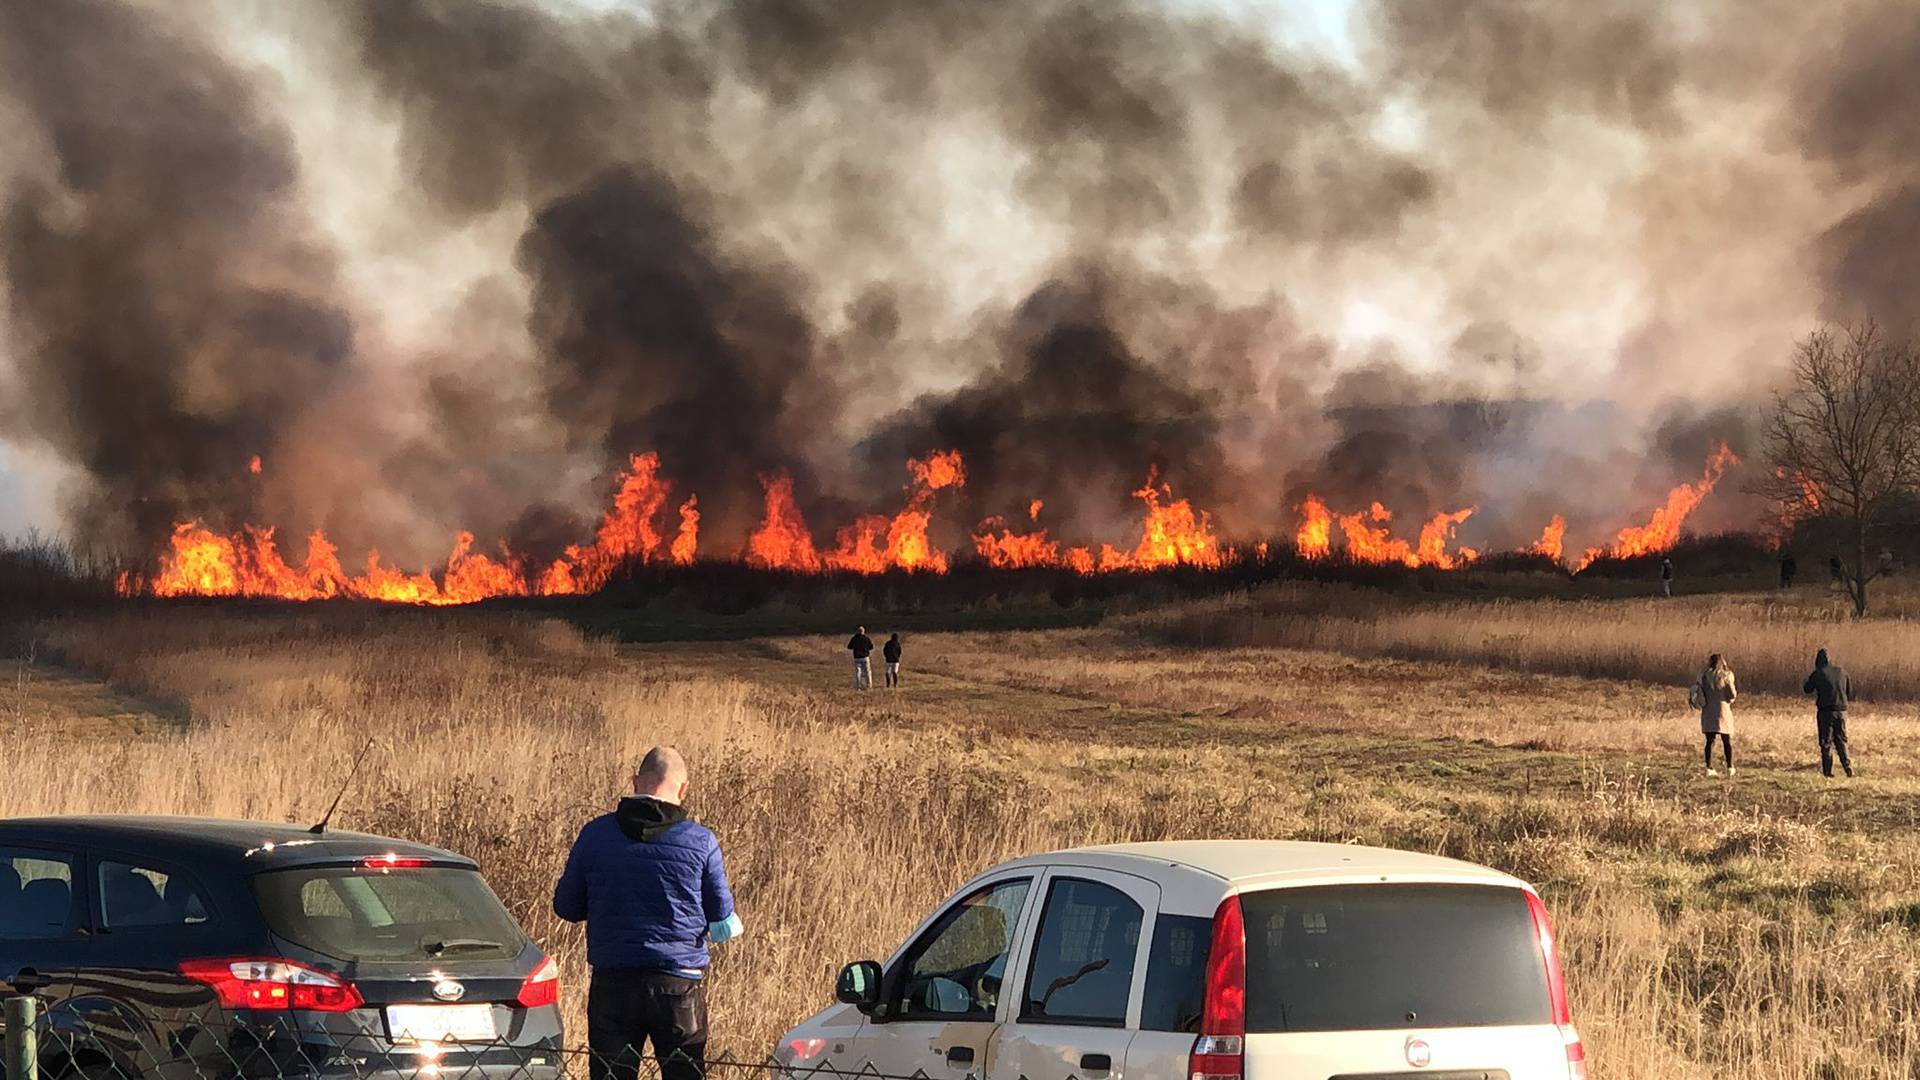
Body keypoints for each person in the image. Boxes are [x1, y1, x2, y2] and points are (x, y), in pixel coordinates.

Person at [555, 748, 742, 1080]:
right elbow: (723, 923)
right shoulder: (701, 842)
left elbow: (566, 907)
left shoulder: (594, 835)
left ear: (635, 782)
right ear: (683, 789)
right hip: (678, 984)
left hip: (613, 981)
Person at [1803, 648, 1854, 778]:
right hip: (1842, 711)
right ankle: (1848, 767)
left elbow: (1807, 689)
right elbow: (1849, 692)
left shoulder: (1819, 673)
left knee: (1826, 742)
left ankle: (1828, 772)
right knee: (1841, 740)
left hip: (1826, 712)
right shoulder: (1842, 672)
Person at [1696, 653, 1737, 776]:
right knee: (1726, 741)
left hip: (1708, 711)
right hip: (1723, 710)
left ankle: (1709, 767)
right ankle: (1730, 767)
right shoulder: (1726, 676)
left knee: (1710, 741)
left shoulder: (1703, 677)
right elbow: (1732, 695)